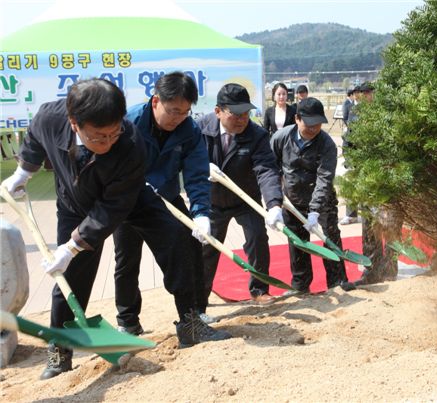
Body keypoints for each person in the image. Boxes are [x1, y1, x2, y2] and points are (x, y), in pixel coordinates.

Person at [1, 78, 228, 381]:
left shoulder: (130, 142)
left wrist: (72, 246)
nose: (108, 142)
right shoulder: (48, 117)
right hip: (75, 203)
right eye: (98, 136)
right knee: (70, 277)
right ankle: (60, 349)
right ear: (74, 122)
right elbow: (33, 140)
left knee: (177, 241)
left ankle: (190, 323)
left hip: (130, 197)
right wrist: (23, 171)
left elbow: (112, 209)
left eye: (113, 132)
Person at [112, 72, 227, 333]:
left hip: (168, 196)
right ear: (156, 101)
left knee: (189, 246)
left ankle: (195, 314)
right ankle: (128, 322)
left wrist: (201, 214)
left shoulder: (189, 129)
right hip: (129, 200)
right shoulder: (129, 123)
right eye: (173, 110)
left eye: (184, 112)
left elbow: (197, 174)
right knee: (127, 259)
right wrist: (132, 183)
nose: (178, 118)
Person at [197, 83, 284, 317]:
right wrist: (199, 168)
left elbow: (266, 169)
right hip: (212, 201)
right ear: (218, 111)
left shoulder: (256, 135)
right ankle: (198, 298)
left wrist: (274, 203)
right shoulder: (200, 129)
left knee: (257, 239)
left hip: (247, 198)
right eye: (235, 114)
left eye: (246, 113)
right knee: (207, 248)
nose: (242, 119)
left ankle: (259, 289)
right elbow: (185, 159)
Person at [270, 97, 354, 294]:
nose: (314, 129)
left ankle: (337, 281)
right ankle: (300, 285)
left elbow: (324, 178)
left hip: (322, 201)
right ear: (297, 119)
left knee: (330, 236)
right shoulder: (281, 138)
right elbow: (270, 169)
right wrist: (275, 200)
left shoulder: (326, 144)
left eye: (318, 124)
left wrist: (315, 210)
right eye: (310, 124)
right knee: (298, 242)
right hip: (292, 201)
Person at [339, 82, 375, 225]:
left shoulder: (377, 111)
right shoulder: (354, 110)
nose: (366, 96)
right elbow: (349, 134)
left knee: (370, 185)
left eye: (368, 93)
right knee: (352, 184)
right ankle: (351, 214)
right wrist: (347, 154)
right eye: (363, 93)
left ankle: (369, 212)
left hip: (371, 154)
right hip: (356, 154)